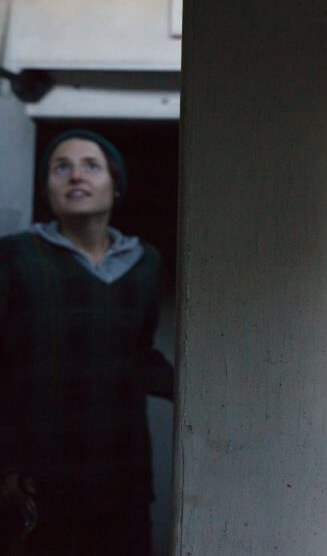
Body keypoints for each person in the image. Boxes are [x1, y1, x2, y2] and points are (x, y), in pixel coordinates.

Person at [0, 129, 173, 555]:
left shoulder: (146, 261)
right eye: (62, 167)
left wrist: (212, 395)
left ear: (116, 185)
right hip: (39, 474)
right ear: (48, 188)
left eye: (90, 166)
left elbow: (138, 357)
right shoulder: (15, 256)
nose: (75, 176)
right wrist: (6, 468)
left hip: (122, 468)